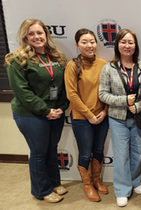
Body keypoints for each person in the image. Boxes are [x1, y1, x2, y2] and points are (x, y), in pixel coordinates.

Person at [5, 19, 69, 203]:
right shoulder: (17, 59)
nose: (36, 37)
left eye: (40, 33)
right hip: (30, 113)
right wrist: (45, 110)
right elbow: (22, 92)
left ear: (46, 35)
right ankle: (41, 190)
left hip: (55, 111)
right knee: (39, 152)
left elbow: (62, 85)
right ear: (25, 36)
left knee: (51, 149)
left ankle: (54, 182)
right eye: (31, 33)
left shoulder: (56, 57)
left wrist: (60, 108)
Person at [98, 29, 141, 207]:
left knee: (137, 153)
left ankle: (135, 182)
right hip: (117, 119)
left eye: (130, 42)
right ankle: (122, 189)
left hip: (138, 118)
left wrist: (138, 106)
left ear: (135, 46)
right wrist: (123, 100)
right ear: (117, 45)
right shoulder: (108, 68)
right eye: (123, 42)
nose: (127, 45)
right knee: (120, 156)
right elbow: (102, 94)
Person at [64, 28, 109, 202]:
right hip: (82, 119)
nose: (89, 45)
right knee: (85, 153)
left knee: (99, 150)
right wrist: (89, 115)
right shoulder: (72, 65)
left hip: (102, 117)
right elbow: (72, 95)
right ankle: (88, 184)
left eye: (92, 41)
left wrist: (104, 111)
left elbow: (107, 91)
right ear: (77, 45)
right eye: (84, 42)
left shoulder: (103, 64)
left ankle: (97, 179)